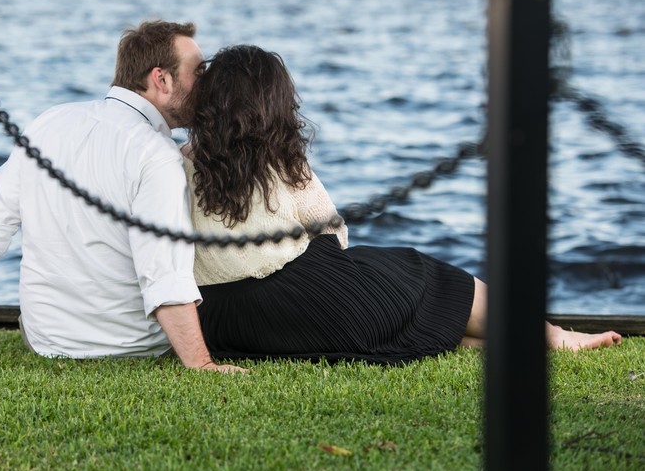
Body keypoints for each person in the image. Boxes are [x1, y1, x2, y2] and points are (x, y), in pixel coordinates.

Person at [182, 44, 622, 364]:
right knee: (424, 274)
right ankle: (554, 336)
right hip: (304, 301)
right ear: (272, 105)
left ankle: (502, 344)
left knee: (392, 302)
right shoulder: (277, 160)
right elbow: (333, 231)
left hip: (224, 323)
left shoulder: (178, 164)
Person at [0, 20, 244, 374]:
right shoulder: (155, 155)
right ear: (162, 79)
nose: (206, 84)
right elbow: (163, 274)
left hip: (46, 342)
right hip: (131, 347)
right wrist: (201, 364)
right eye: (198, 72)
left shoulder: (47, 123)